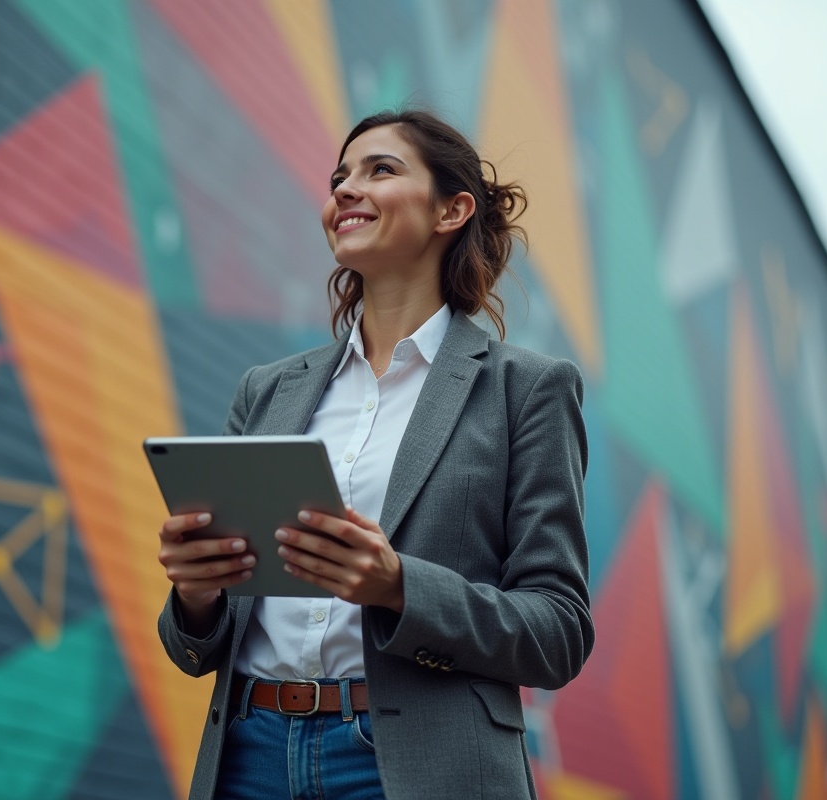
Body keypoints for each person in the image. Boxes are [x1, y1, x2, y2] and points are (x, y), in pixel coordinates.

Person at [157, 109, 593, 800]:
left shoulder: (527, 391)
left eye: (379, 170)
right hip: (251, 758)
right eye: (339, 179)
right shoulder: (265, 392)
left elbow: (558, 632)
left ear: (452, 209)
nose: (345, 191)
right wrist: (197, 592)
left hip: (419, 770)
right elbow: (198, 645)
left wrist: (400, 587)